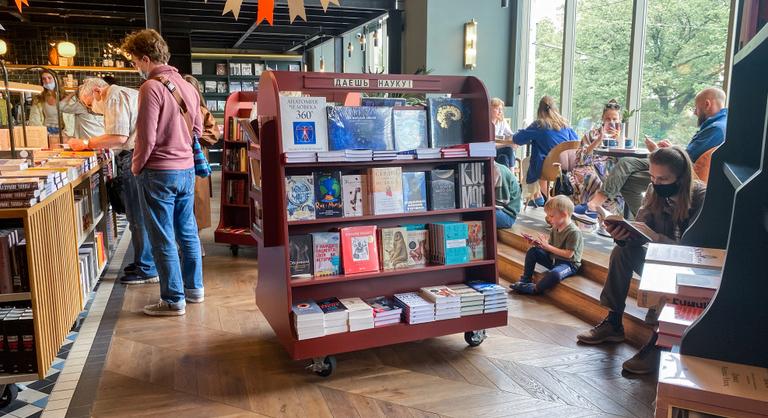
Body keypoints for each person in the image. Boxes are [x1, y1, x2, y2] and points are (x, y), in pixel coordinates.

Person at [577, 147, 707, 375]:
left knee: (667, 273)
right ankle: (613, 321)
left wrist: (657, 238)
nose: (656, 183)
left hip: (689, 269)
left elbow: (696, 251)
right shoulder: (653, 191)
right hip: (658, 259)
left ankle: (660, 341)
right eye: (653, 177)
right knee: (621, 252)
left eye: (663, 179)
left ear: (682, 177)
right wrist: (623, 235)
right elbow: (641, 228)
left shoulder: (702, 197)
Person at [122, 29, 204, 317]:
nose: (135, 67)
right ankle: (195, 290)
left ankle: (173, 300)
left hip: (158, 171)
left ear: (145, 58)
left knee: (163, 236)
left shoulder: (151, 87)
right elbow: (198, 130)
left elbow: (146, 137)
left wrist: (136, 166)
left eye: (134, 62)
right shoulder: (188, 86)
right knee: (188, 231)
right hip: (186, 170)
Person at [67, 78, 158, 286]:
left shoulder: (114, 96)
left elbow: (118, 137)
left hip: (135, 156)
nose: (92, 110)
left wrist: (86, 143)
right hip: (141, 156)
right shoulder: (126, 93)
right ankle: (144, 262)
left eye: (90, 104)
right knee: (139, 215)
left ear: (98, 91)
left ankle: (147, 267)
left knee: (137, 215)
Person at [588, 88, 727, 218]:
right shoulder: (721, 125)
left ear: (707, 104)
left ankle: (643, 220)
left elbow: (683, 161)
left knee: (626, 179)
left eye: (695, 108)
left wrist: (657, 151)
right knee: (626, 162)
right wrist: (670, 148)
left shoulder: (715, 129)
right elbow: (689, 154)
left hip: (680, 172)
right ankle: (632, 216)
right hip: (676, 164)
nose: (695, 113)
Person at [510, 195, 583, 294]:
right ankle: (525, 280)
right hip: (554, 259)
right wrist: (539, 245)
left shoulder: (574, 232)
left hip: (568, 264)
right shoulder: (555, 228)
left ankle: (535, 289)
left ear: (564, 215)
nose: (548, 219)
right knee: (533, 251)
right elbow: (551, 248)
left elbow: (569, 254)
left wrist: (548, 247)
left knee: (555, 274)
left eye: (551, 216)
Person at [513, 96, 578, 206]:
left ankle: (540, 196)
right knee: (532, 160)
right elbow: (575, 142)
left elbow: (517, 139)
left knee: (528, 161)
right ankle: (537, 196)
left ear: (540, 110)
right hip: (567, 166)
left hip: (548, 167)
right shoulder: (565, 125)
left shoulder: (539, 125)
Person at [570, 101, 625, 230]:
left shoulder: (622, 138)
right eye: (608, 119)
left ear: (619, 120)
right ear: (602, 119)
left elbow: (624, 162)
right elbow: (580, 159)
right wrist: (598, 140)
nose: (611, 122)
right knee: (594, 179)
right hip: (589, 166)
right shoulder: (591, 135)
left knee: (616, 182)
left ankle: (603, 220)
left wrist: (618, 140)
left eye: (614, 119)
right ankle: (592, 216)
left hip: (610, 171)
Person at [182, 75, 220, 257]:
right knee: (182, 202)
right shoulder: (175, 109)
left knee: (198, 201)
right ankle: (184, 242)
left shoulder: (203, 111)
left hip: (197, 160)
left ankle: (196, 241)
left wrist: (192, 137)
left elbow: (213, 134)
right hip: (178, 160)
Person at [28, 71, 74, 136]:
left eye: (49, 78)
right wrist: (45, 134)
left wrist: (64, 134)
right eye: (44, 79)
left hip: (63, 132)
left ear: (56, 80)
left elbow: (72, 121)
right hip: (45, 132)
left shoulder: (66, 98)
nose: (47, 81)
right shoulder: (38, 99)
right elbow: (34, 120)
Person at [494, 157, 522, 229]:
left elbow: (501, 203)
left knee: (473, 214)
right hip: (496, 210)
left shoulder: (498, 171)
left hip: (506, 214)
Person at [492, 97, 515, 169]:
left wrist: (515, 141)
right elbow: (489, 144)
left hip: (499, 151)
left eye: (501, 109)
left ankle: (506, 179)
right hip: (490, 151)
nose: (500, 111)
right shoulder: (485, 122)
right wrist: (507, 144)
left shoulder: (502, 122)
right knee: (509, 149)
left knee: (503, 158)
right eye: (498, 109)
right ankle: (513, 177)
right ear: (490, 109)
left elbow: (512, 135)